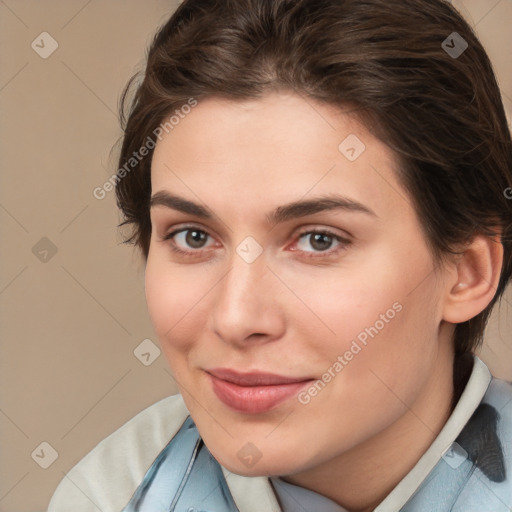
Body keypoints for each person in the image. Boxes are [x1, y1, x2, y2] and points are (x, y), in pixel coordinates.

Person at [48, 0, 512, 510]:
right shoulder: (114, 494)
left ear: (467, 273)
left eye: (319, 239)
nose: (236, 317)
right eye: (193, 236)